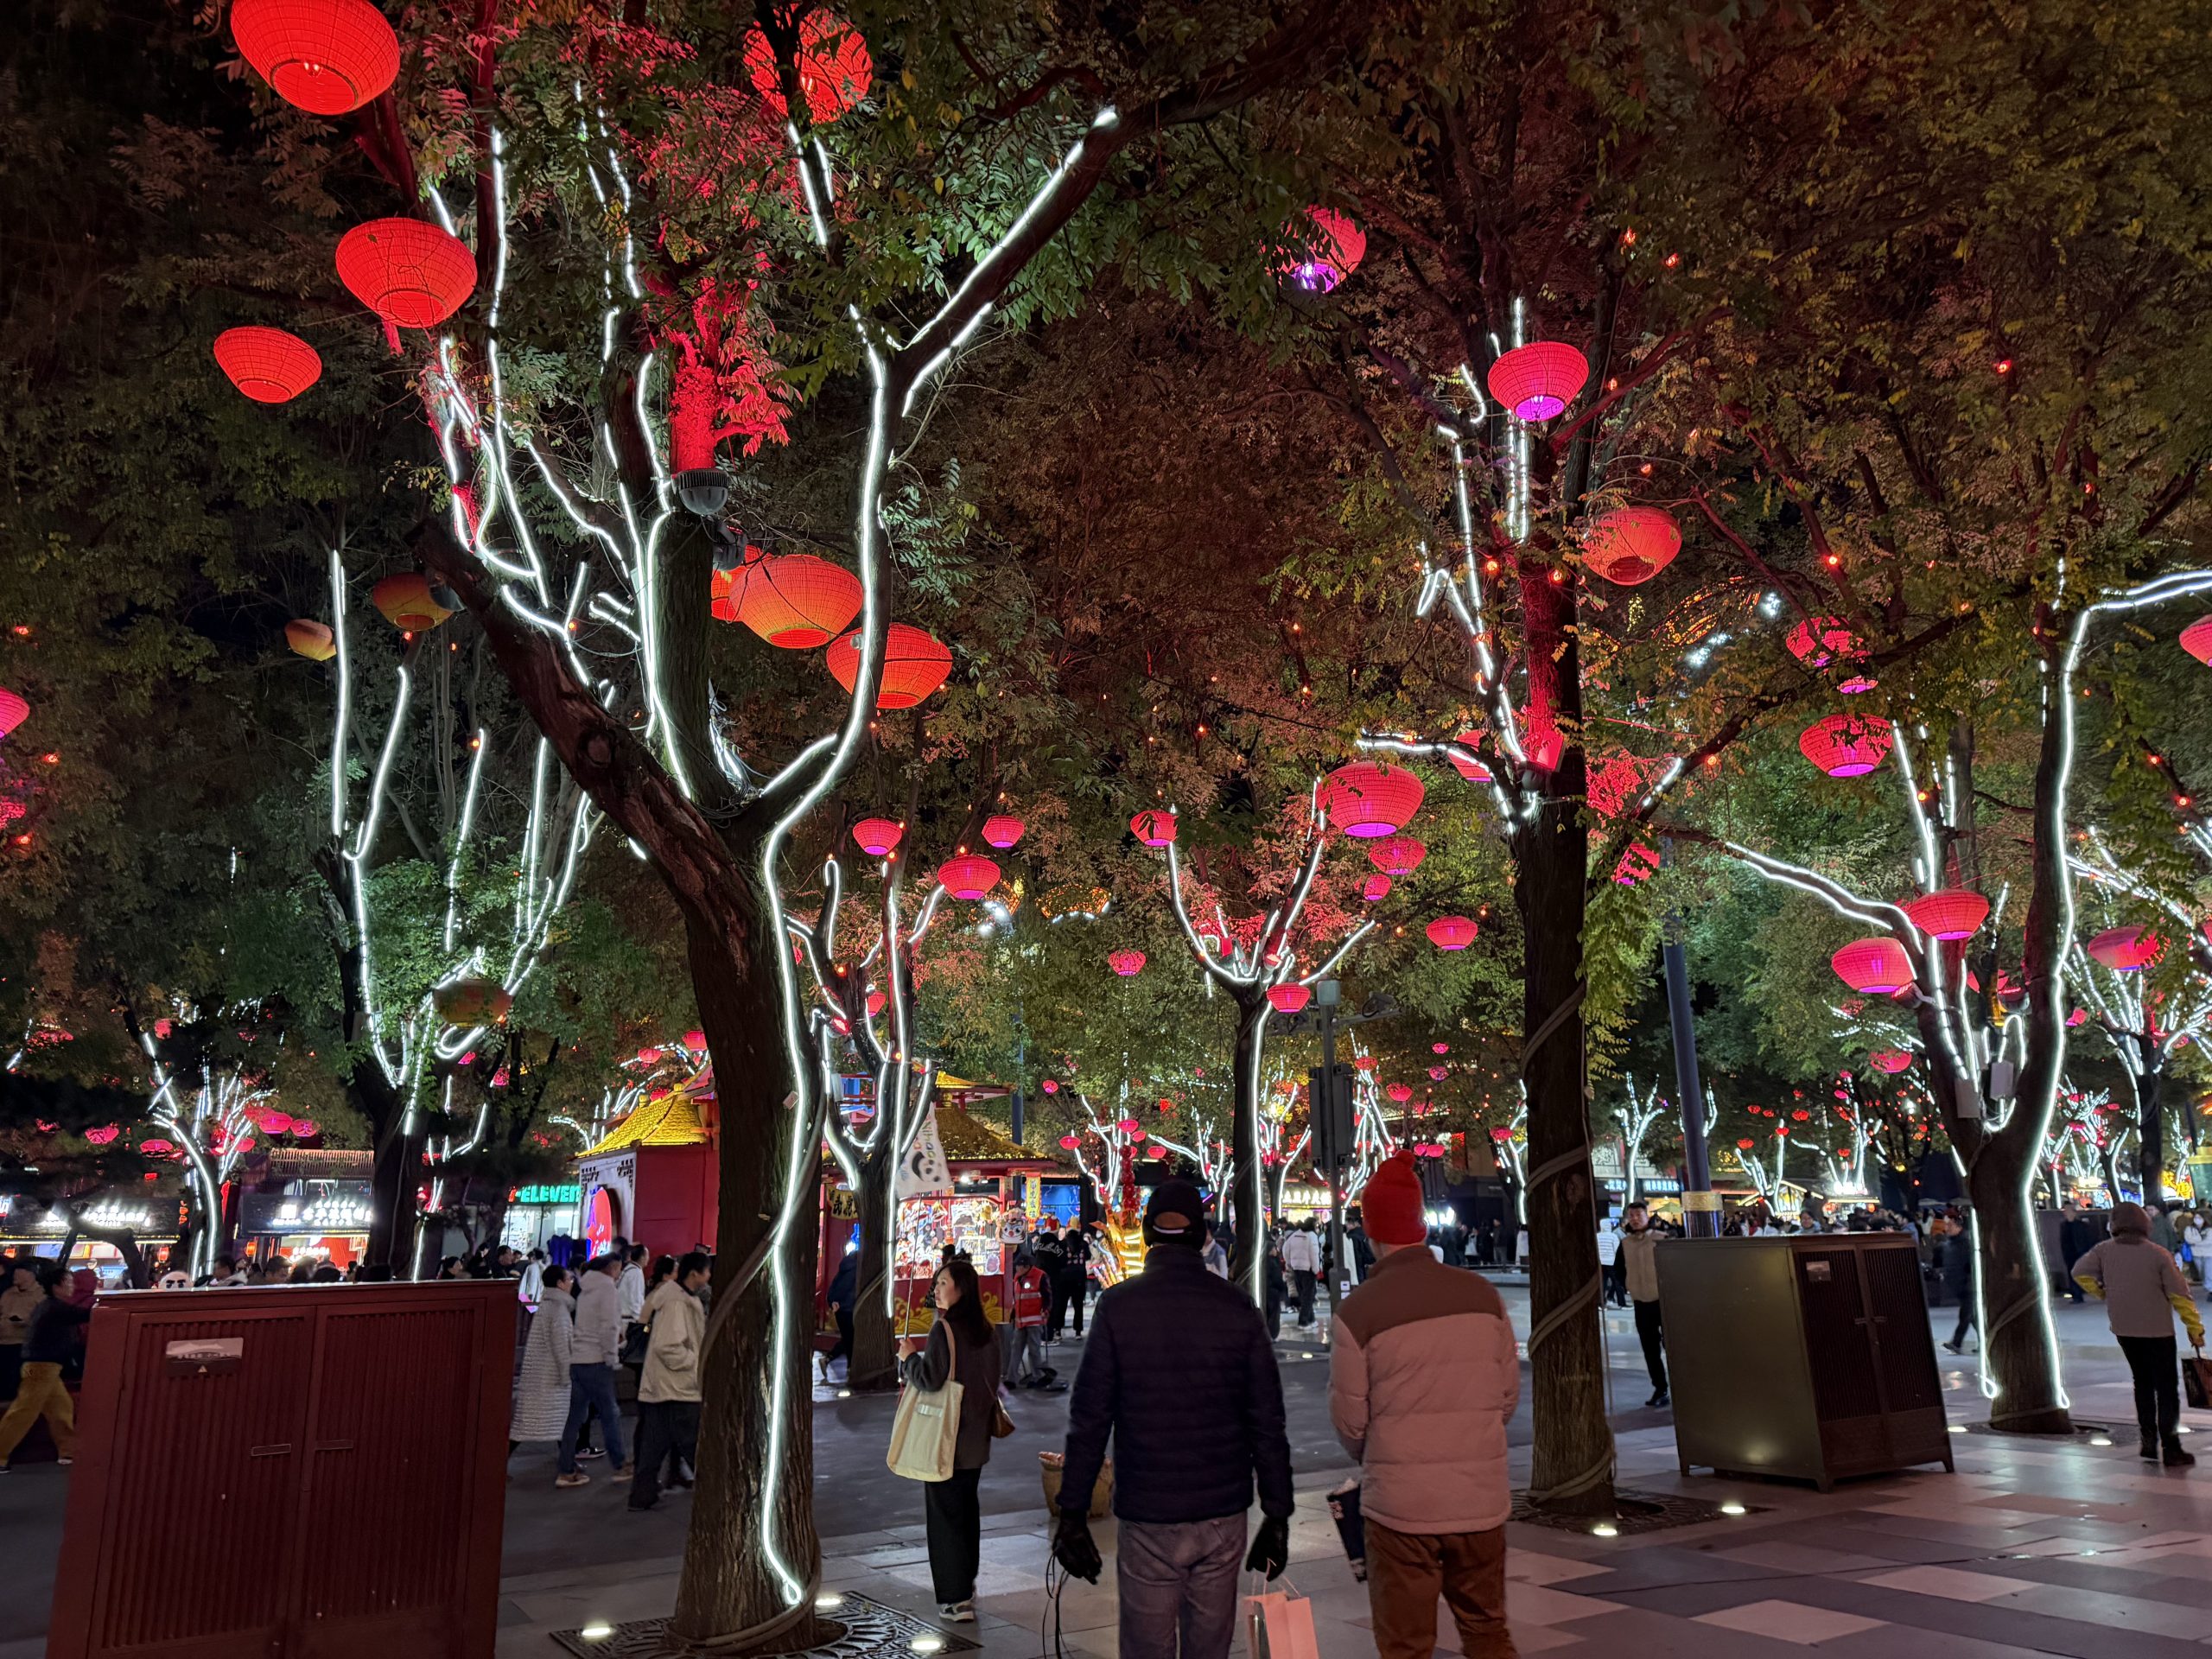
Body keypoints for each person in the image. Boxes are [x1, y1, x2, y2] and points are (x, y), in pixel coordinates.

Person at [1052, 1180, 1293, 1659]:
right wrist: (1277, 1512)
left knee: (1146, 1646)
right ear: (1203, 1235)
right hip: (1222, 1511)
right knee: (1210, 1646)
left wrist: (1073, 1510)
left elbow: (1090, 1418)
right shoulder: (1238, 1307)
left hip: (1148, 1512)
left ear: (1145, 1234)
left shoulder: (1119, 1308)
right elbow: (1267, 1419)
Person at [1330, 1154, 1520, 1659]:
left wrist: (1384, 1454)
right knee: (1487, 1629)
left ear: (1371, 1233)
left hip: (1400, 1510)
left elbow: (1351, 1423)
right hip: (1480, 1501)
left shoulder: (1357, 1312)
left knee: (1406, 1644)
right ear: (1419, 1226)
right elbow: (1506, 1400)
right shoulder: (1483, 1296)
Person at [899, 1258, 1003, 1621]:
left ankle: (955, 1597)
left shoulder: (944, 1330)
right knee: (966, 1511)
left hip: (947, 1437)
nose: (937, 1289)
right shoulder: (988, 1330)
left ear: (962, 1289)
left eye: (944, 1282)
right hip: (976, 1438)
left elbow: (929, 1379)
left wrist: (909, 1359)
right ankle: (966, 1583)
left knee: (944, 1516)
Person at [2075, 1201, 2202, 1465]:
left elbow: (2079, 1273)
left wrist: (2102, 1292)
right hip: (2158, 1330)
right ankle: (2171, 1446)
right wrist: (2194, 1328)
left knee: (2142, 1383)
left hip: (2124, 1328)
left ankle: (2147, 1441)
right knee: (2166, 1388)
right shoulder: (2158, 1254)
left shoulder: (2103, 1251)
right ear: (2144, 1223)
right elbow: (2180, 1295)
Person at [631, 1251, 709, 1510]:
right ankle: (716, 1492)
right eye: (706, 1271)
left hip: (662, 1386)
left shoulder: (671, 1298)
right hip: (678, 1386)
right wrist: (695, 1363)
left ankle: (642, 1495)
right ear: (695, 1274)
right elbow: (669, 1346)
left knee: (655, 1444)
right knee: (694, 1443)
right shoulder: (677, 1303)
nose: (709, 1276)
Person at [0, 1265, 90, 1472]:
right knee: (24, 1411)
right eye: (68, 1282)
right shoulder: (56, 1307)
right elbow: (87, 1315)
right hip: (42, 1366)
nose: (71, 1286)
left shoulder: (48, 1305)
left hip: (45, 1366)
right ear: (56, 1286)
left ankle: (68, 1451)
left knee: (61, 1408)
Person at [556, 1255, 628, 1488]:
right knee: (610, 1413)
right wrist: (612, 1357)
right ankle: (620, 1465)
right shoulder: (607, 1289)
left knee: (574, 1417)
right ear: (613, 1268)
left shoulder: (585, 1289)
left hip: (578, 1359)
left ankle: (565, 1470)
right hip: (597, 1360)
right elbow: (609, 1326)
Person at [512, 1265, 575, 1460]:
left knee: (529, 1424)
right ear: (560, 1284)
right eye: (569, 1279)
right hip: (550, 1377)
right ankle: (567, 1467)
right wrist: (566, 1375)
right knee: (560, 1421)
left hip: (538, 1376)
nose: (572, 1283)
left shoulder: (546, 1305)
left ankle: (568, 1464)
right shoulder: (559, 1310)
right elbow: (561, 1346)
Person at [1617, 1202, 1668, 1407]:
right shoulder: (1626, 1243)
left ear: (1648, 1216)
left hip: (1663, 1301)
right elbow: (1619, 1269)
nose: (1635, 1218)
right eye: (1631, 1215)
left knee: (1672, 1347)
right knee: (1650, 1349)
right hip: (1641, 1304)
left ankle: (1682, 1386)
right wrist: (1629, 1287)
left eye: (1639, 1214)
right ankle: (1660, 1388)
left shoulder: (1661, 1239)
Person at [1003, 1249, 1052, 1389]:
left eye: (1018, 1266)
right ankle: (1011, 1379)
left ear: (1026, 1266)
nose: (1016, 1269)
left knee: (1034, 1350)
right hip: (1021, 1320)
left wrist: (1046, 1310)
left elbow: (1047, 1296)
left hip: (1035, 1320)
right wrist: (1013, 1314)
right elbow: (1017, 1299)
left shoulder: (1040, 1276)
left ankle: (1038, 1376)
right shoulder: (1017, 1278)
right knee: (1016, 1349)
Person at [1939, 1214, 1976, 1354]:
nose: (1946, 1228)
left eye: (1949, 1225)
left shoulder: (1966, 1242)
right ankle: (1987, 1340)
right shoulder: (1950, 1243)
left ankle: (1957, 1342)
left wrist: (1968, 1280)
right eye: (1946, 1224)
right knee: (1972, 1317)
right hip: (1959, 1285)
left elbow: (1970, 1264)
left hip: (1968, 1285)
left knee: (1965, 1315)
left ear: (1958, 1225)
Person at [0, 1262, 37, 1402]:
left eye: (19, 1273)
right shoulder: (8, 1293)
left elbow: (41, 1320)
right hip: (4, 1339)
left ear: (30, 1275)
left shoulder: (39, 1296)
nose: (15, 1277)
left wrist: (25, 1322)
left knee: (14, 1377)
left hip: (22, 1342)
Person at [823, 1243, 859, 1383]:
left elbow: (834, 1287)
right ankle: (843, 1364)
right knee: (850, 1339)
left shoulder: (844, 1268)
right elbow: (848, 1289)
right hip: (848, 1309)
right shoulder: (855, 1270)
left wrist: (832, 1302)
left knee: (849, 1338)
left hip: (840, 1309)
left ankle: (836, 1361)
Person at [1052, 1224, 1091, 1340]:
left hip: (1063, 1279)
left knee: (1061, 1305)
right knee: (1078, 1306)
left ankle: (1058, 1330)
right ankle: (1078, 1331)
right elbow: (1088, 1257)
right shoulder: (1083, 1244)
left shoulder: (1062, 1244)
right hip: (1079, 1278)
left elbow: (1057, 1260)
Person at [1281, 1218, 1321, 1330]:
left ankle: (1311, 1320)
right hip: (1308, 1269)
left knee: (1304, 1295)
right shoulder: (1311, 1236)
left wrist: (1290, 1263)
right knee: (1309, 1296)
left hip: (1296, 1268)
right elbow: (1314, 1254)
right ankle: (1303, 1321)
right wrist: (1316, 1269)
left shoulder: (1294, 1235)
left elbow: (1285, 1249)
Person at [2059, 1205, 2094, 1302]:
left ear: (2074, 1213)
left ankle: (2082, 1292)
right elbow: (2063, 1241)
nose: (2066, 1213)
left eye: (2068, 1211)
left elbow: (2087, 1239)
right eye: (2065, 1211)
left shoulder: (2081, 1225)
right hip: (2069, 1253)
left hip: (2080, 1252)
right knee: (2072, 1274)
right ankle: (2076, 1295)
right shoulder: (2064, 1226)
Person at [1596, 1217, 1625, 1307]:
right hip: (1611, 1262)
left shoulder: (1597, 1236)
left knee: (1602, 1283)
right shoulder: (1613, 1236)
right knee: (1617, 1282)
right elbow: (1617, 1249)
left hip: (1601, 1262)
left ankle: (1601, 1303)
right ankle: (1622, 1303)